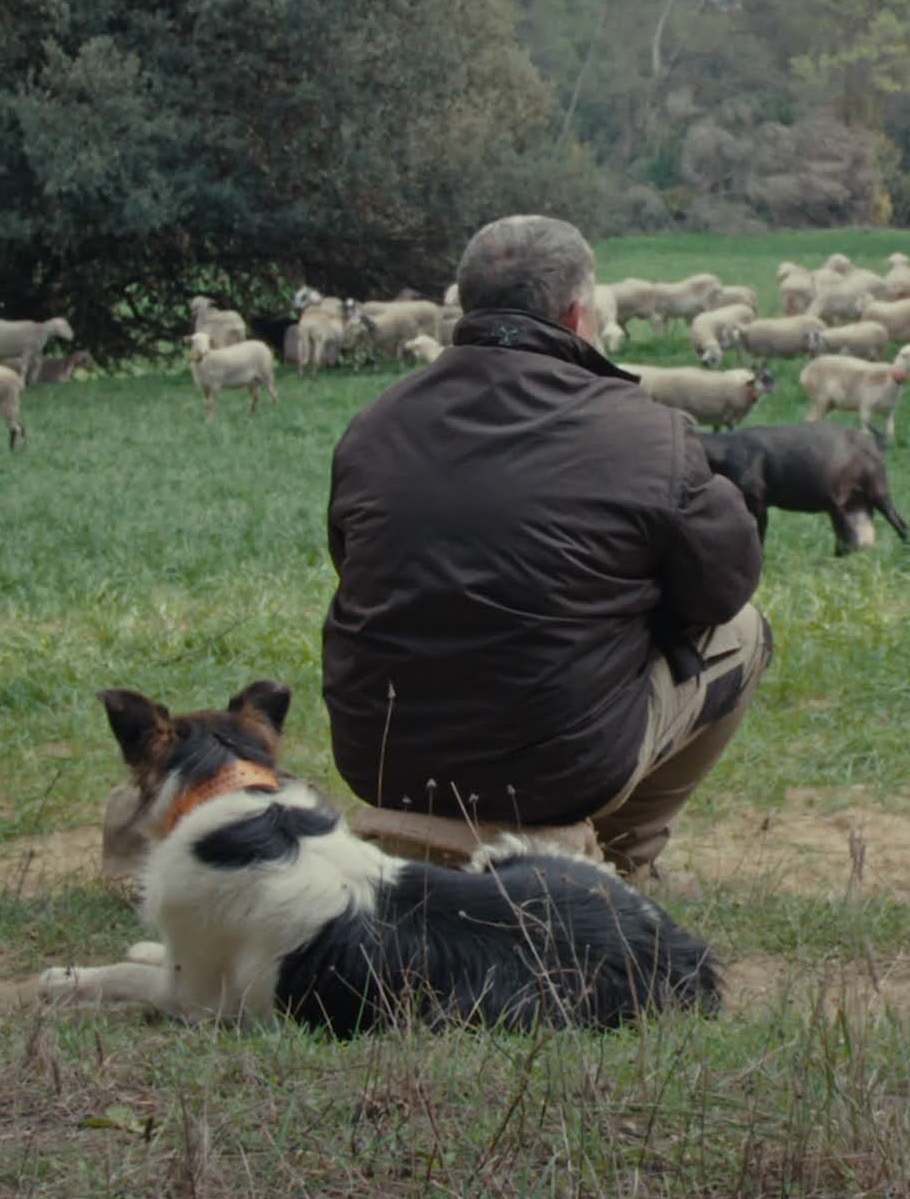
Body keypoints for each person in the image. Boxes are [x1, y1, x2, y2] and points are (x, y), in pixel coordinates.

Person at [321, 214, 768, 878]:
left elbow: (350, 561)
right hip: (557, 773)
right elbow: (723, 587)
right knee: (745, 632)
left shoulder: (374, 425)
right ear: (578, 311)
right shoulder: (645, 433)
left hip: (383, 757)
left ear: (466, 303)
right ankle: (624, 862)